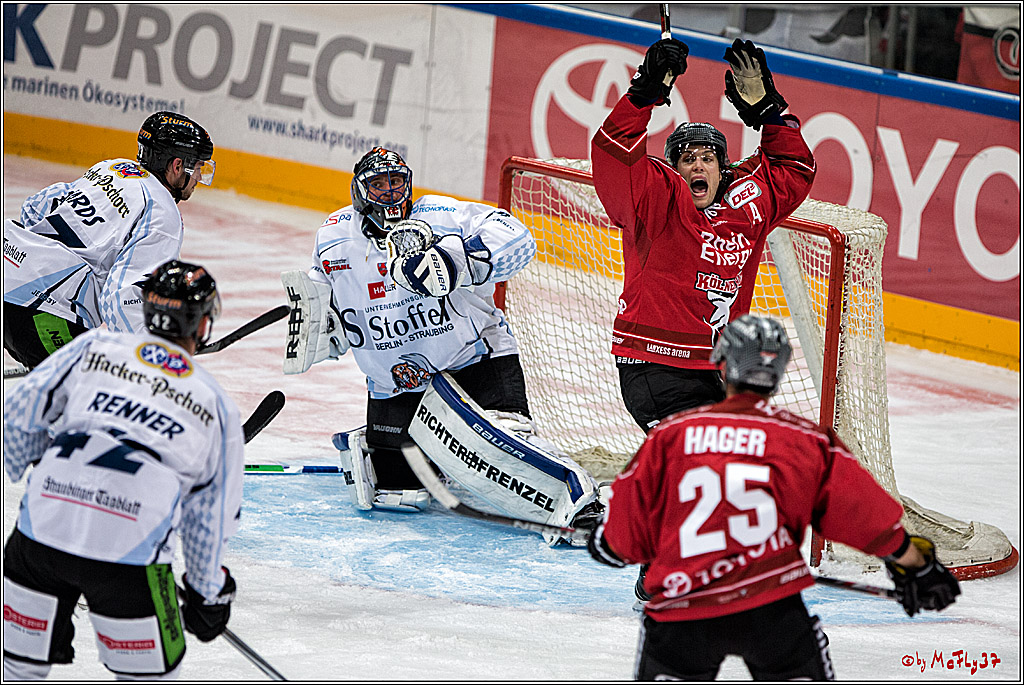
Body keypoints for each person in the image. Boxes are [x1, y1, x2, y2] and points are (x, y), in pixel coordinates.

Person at [587, 315, 961, 680]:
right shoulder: (805, 440)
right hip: (770, 607)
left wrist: (606, 542)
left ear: (720, 362)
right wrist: (918, 566)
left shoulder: (670, 437)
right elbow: (866, 518)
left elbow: (623, 538)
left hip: (683, 609)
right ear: (778, 372)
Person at [282, 146, 601, 540]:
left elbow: (518, 239)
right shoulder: (333, 238)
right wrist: (322, 326)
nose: (390, 193)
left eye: (397, 182)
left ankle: (577, 501)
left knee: (504, 458)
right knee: (400, 494)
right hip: (396, 384)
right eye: (378, 185)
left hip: (476, 363)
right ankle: (407, 443)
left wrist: (459, 261)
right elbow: (323, 298)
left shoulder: (441, 216)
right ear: (359, 191)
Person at [3, 260, 244, 680]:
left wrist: (39, 467)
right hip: (129, 558)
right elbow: (211, 516)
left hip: (41, 534)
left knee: (14, 669)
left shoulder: (96, 346)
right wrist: (208, 594)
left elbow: (19, 414)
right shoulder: (214, 403)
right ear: (202, 325)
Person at [590, 38, 816, 434]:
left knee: (732, 460)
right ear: (673, 167)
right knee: (702, 454)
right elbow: (614, 152)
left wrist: (769, 113)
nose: (698, 165)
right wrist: (643, 93)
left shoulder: (748, 204)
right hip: (656, 367)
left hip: (723, 370)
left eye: (708, 158)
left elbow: (794, 167)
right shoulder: (655, 197)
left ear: (722, 169)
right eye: (687, 158)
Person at [3, 111, 215, 370]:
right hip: (44, 314)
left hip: (8, 272)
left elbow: (35, 207)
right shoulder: (162, 213)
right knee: (100, 398)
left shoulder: (112, 168)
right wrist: (155, 358)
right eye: (198, 168)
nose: (198, 180)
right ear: (177, 166)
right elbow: (124, 297)